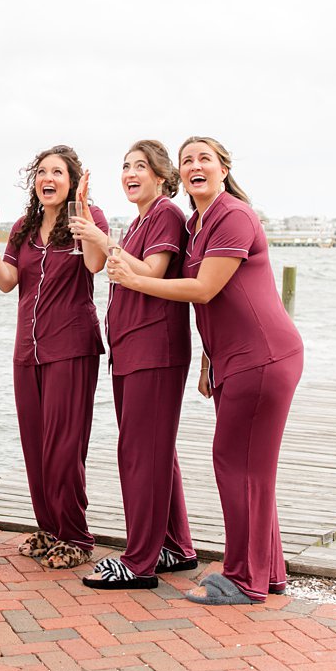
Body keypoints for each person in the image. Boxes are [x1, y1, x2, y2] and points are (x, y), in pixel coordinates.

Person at [108, 137, 303, 605]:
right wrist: (207, 359)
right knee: (251, 468)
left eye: (205, 159)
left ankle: (242, 579)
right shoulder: (196, 223)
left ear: (223, 168)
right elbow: (218, 307)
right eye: (187, 160)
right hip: (233, 359)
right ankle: (267, 572)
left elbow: (206, 289)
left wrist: (135, 280)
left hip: (263, 356)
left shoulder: (233, 214)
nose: (196, 166)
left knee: (236, 465)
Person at [77, 142, 197, 591]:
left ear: (162, 176)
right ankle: (175, 547)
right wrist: (89, 220)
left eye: (140, 166)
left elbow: (151, 270)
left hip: (155, 349)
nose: (130, 173)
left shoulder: (165, 214)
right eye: (125, 166)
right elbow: (113, 263)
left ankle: (140, 560)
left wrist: (104, 240)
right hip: (131, 349)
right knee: (156, 451)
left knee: (140, 454)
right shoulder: (141, 219)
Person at [0, 145, 106, 571]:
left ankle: (76, 535)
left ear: (71, 181)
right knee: (35, 445)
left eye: (58, 172)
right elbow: (6, 282)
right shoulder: (22, 227)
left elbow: (95, 264)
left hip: (71, 347)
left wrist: (83, 212)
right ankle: (50, 528)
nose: (47, 178)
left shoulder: (89, 220)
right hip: (26, 351)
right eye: (41, 172)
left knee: (63, 446)